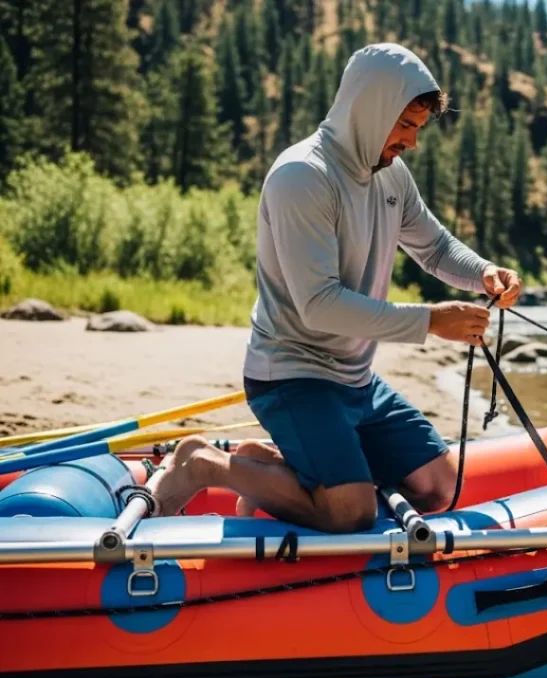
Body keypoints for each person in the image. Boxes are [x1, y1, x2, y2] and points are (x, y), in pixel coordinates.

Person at [150, 43, 522, 532]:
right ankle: (202, 464)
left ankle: (278, 467)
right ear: (371, 110)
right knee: (350, 513)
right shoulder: (302, 176)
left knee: (438, 487)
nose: (411, 142)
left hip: (355, 379)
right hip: (291, 375)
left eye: (417, 129)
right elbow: (319, 305)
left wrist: (482, 272)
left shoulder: (392, 174)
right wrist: (431, 322)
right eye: (405, 126)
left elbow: (433, 248)